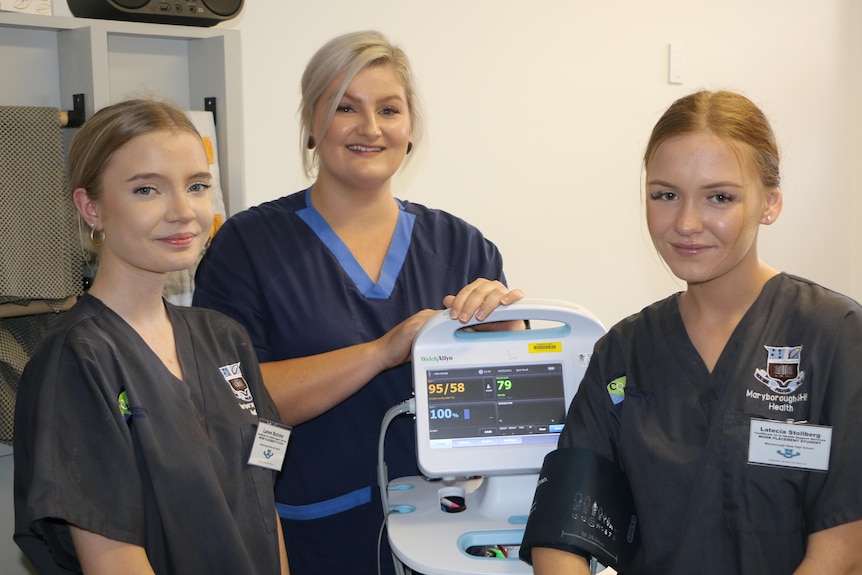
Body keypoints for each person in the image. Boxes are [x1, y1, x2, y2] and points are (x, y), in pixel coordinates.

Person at [192, 30, 523, 575]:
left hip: (446, 529)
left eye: (388, 109)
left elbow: (500, 413)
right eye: (345, 107)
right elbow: (233, 403)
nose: (370, 128)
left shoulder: (462, 246)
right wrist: (381, 351)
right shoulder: (248, 247)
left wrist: (505, 343)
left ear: (410, 129)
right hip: (310, 534)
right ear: (311, 127)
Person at [526, 90, 862, 575]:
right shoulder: (623, 352)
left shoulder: (835, 337)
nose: (686, 223)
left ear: (770, 203)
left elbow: (844, 551)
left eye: (719, 197)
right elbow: (562, 535)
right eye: (665, 195)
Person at [13, 99, 290, 575]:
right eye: (147, 189)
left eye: (197, 186)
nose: (184, 211)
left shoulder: (225, 339)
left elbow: (264, 502)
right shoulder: (79, 361)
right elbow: (113, 558)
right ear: (92, 207)